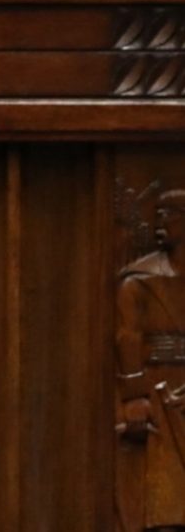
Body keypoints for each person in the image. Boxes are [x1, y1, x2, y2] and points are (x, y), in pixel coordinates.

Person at [116, 189, 185, 531]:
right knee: (165, 503)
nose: (160, 223)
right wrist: (134, 397)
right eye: (157, 214)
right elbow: (128, 337)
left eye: (169, 214)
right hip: (158, 391)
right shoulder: (138, 280)